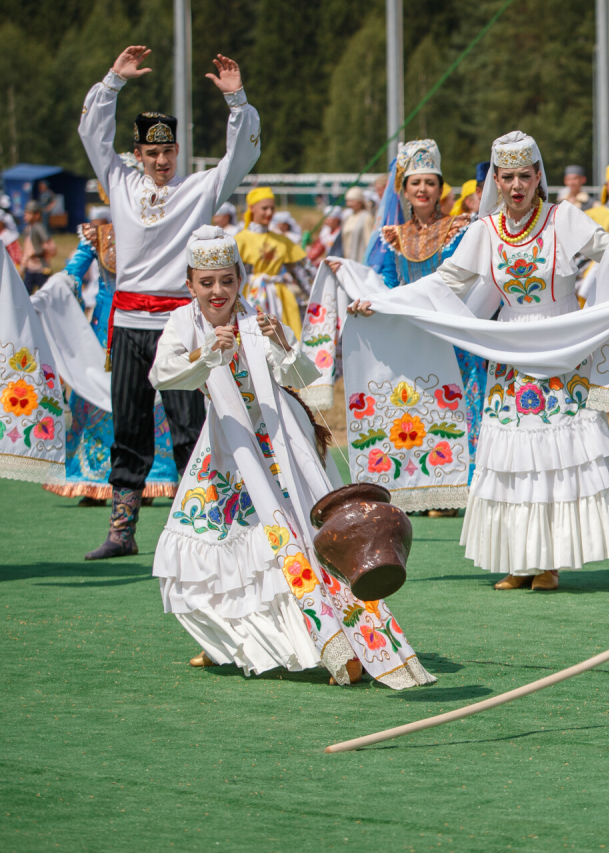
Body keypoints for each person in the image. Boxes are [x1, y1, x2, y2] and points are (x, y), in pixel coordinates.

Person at [346, 131, 609, 592]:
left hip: (562, 349)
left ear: (539, 176)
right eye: (507, 177)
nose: (517, 185)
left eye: (525, 175)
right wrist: (382, 304)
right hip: (511, 354)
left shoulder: (564, 219)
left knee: (555, 459)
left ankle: (550, 562)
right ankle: (520, 560)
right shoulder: (484, 232)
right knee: (514, 462)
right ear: (495, 182)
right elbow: (443, 282)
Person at [150, 226, 433, 689]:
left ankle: (344, 643)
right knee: (205, 539)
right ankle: (234, 639)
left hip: (280, 441)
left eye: (226, 279)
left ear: (239, 277)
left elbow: (304, 374)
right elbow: (164, 375)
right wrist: (207, 354)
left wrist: (281, 341)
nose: (217, 291)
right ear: (191, 284)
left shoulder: (256, 319)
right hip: (226, 444)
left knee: (298, 538)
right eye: (207, 282)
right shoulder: (184, 323)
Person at [77, 44, 260, 560]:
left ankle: (196, 522)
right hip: (130, 323)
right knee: (129, 424)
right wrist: (113, 80)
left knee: (189, 426)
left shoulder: (197, 190)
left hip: (181, 325)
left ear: (178, 153)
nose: (161, 161)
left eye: (168, 152)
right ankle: (122, 530)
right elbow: (91, 133)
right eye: (152, 153)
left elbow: (242, 154)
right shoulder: (119, 181)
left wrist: (236, 100)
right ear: (137, 154)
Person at [360, 139, 480, 510]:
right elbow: (385, 283)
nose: (423, 189)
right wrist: (365, 296)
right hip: (415, 335)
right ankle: (430, 488)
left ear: (441, 188)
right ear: (404, 191)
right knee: (422, 409)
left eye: (430, 182)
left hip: (453, 334)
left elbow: (465, 279)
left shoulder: (461, 228)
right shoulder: (392, 237)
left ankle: (465, 487)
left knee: (458, 408)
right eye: (416, 183)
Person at [53, 196, 179, 505]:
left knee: (151, 399)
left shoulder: (164, 231)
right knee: (96, 396)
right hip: (104, 332)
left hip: (151, 323)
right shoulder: (98, 235)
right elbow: (72, 273)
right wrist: (55, 290)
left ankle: (150, 478)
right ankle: (94, 478)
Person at [234, 187, 307, 337]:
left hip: (279, 298)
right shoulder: (240, 240)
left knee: (285, 340)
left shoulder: (282, 241)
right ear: (252, 208)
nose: (269, 213)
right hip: (249, 296)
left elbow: (304, 272)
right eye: (264, 208)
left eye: (272, 208)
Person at [19, 200, 56, 294]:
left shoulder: (39, 228)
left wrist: (41, 251)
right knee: (25, 293)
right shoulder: (28, 229)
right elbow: (27, 249)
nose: (25, 215)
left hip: (41, 267)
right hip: (30, 267)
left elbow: (50, 247)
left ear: (36, 215)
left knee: (46, 294)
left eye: (28, 213)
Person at [341, 184, 375, 262]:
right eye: (348, 201)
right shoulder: (348, 217)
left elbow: (369, 241)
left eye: (352, 201)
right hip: (349, 260)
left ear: (360, 202)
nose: (349, 204)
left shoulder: (366, 217)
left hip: (360, 261)